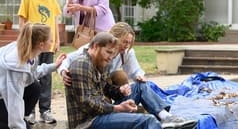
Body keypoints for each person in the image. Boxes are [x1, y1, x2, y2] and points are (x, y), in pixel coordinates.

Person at [59, 23, 197, 129]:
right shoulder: (82, 63)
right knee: (148, 121)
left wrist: (120, 91)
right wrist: (117, 108)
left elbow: (107, 87)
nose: (111, 57)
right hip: (88, 123)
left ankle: (166, 117)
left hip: (101, 112)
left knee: (140, 87)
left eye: (113, 53)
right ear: (95, 46)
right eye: (108, 52)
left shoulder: (101, 61)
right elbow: (87, 104)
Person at [0, 23, 66, 129]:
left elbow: (31, 74)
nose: (52, 42)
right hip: (5, 96)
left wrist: (54, 66)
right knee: (20, 125)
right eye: (50, 40)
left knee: (34, 87)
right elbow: (14, 100)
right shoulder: (17, 67)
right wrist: (18, 125)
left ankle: (12, 118)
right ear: (41, 44)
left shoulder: (29, 52)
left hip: (5, 93)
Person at [18, 0, 62, 124]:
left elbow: (55, 21)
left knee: (46, 78)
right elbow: (22, 21)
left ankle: (45, 111)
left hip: (48, 45)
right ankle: (29, 111)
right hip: (32, 46)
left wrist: (56, 40)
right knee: (30, 77)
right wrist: (24, 40)